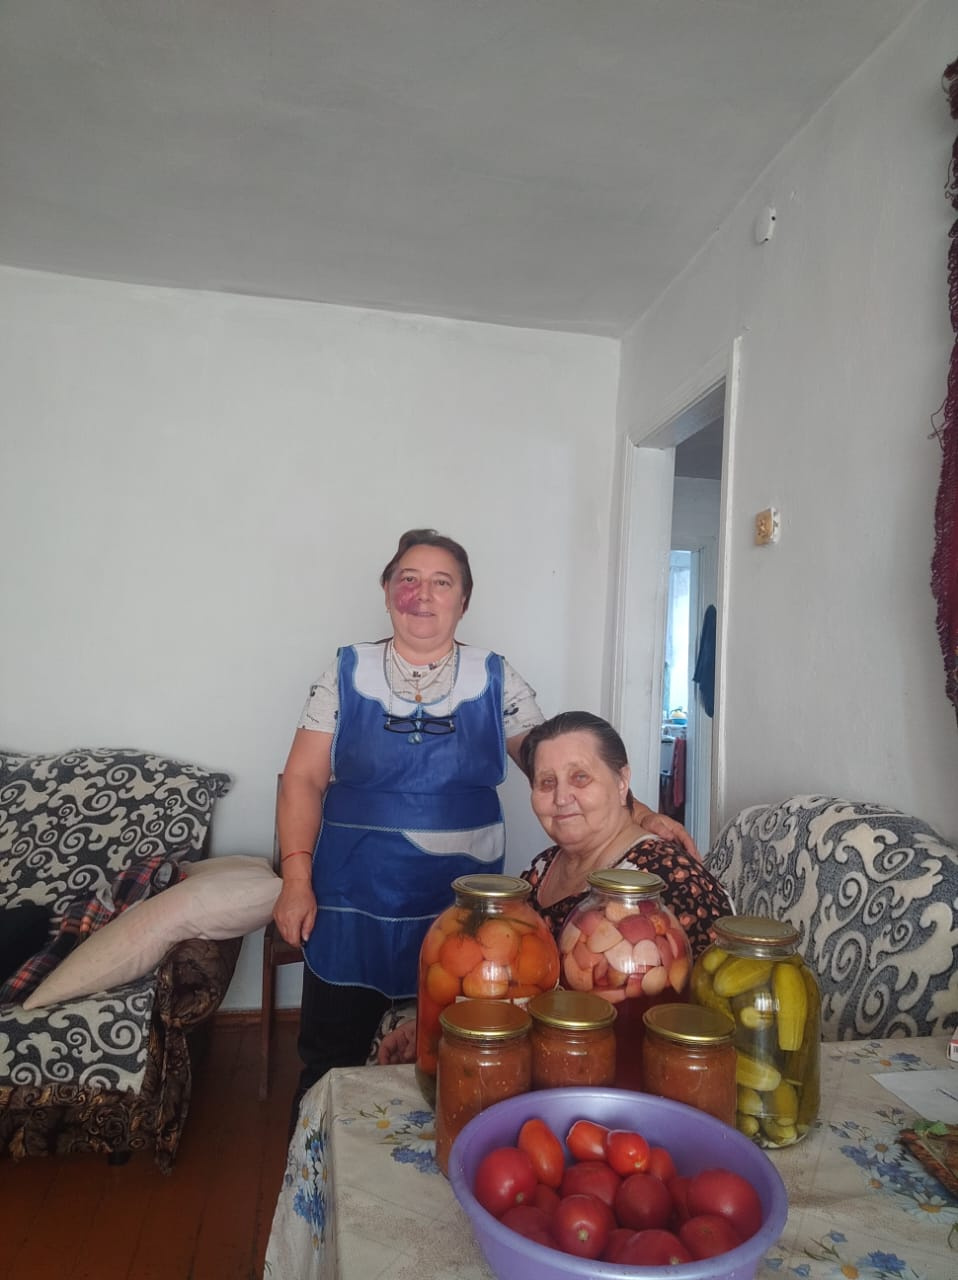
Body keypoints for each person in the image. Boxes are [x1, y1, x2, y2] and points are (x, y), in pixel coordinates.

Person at [273, 530, 692, 1111]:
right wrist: (296, 881)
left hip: (460, 905)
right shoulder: (345, 671)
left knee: (456, 1054)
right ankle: (319, 1155)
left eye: (441, 582)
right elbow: (302, 779)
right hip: (350, 898)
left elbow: (555, 764)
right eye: (408, 579)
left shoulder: (496, 678)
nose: (423, 594)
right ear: (387, 590)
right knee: (328, 1060)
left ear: (463, 600)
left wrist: (636, 810)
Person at [376, 709, 732, 1065]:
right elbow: (511, 981)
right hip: (542, 1067)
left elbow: (710, 1022)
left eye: (580, 777)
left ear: (622, 781)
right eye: (546, 783)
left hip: (620, 1080)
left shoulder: (672, 881)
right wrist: (440, 1027)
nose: (562, 797)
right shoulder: (543, 867)